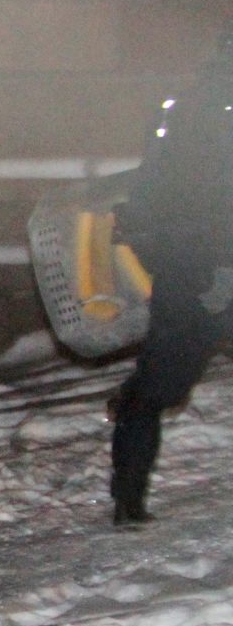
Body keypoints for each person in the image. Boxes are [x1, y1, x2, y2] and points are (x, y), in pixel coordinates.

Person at [109, 28, 233, 526]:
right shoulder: (214, 117)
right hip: (212, 266)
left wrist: (169, 262)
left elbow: (149, 194)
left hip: (187, 270)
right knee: (158, 384)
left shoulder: (180, 109)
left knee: (155, 386)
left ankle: (128, 500)